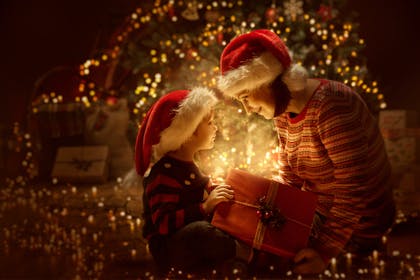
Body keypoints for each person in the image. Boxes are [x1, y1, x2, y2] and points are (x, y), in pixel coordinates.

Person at [217, 29, 395, 275]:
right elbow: (290, 178)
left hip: (357, 224)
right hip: (318, 212)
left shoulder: (331, 105)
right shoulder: (283, 112)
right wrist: (253, 202)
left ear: (269, 80)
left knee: (267, 262)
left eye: (245, 97)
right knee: (243, 233)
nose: (247, 110)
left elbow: (353, 191)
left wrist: (324, 252)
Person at [135, 87, 253, 275]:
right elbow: (164, 223)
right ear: (188, 133)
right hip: (171, 247)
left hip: (190, 236)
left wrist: (219, 190)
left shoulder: (189, 164)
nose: (215, 128)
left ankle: (233, 254)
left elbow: (203, 184)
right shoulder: (163, 175)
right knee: (201, 232)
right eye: (210, 123)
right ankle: (247, 256)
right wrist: (205, 207)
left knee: (223, 220)